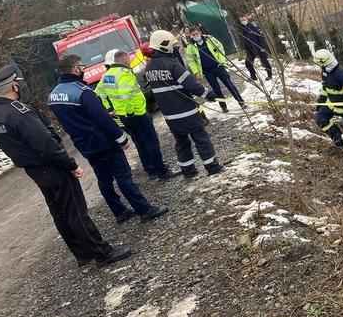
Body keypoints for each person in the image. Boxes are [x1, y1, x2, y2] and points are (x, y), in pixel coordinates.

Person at [0, 66, 132, 268]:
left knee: (59, 212)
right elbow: (45, 143)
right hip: (52, 166)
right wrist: (70, 164)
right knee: (76, 211)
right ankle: (102, 253)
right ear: (14, 85)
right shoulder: (18, 112)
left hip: (34, 170)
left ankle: (81, 254)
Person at [48, 55, 169, 224]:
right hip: (103, 142)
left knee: (103, 178)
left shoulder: (54, 95)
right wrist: (121, 138)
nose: (83, 69)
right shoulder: (82, 91)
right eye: (81, 66)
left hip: (84, 144)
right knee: (123, 176)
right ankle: (144, 209)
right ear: (76, 69)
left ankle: (119, 212)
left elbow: (77, 118)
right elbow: (101, 119)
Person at [145, 30, 223, 177]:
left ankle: (188, 170)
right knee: (201, 139)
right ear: (164, 45)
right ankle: (212, 167)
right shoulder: (173, 64)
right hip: (187, 111)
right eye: (173, 45)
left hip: (169, 116)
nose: (176, 48)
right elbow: (192, 85)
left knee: (181, 143)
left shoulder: (149, 67)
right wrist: (209, 95)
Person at [96, 49, 175, 180]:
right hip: (136, 114)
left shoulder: (107, 75)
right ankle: (161, 171)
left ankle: (151, 171)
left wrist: (109, 108)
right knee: (151, 141)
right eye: (129, 60)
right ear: (125, 60)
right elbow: (126, 95)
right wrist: (131, 112)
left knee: (139, 142)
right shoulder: (125, 74)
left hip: (122, 116)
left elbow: (99, 94)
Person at [184, 26, 245, 113]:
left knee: (229, 84)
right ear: (191, 35)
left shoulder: (210, 39)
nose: (195, 36)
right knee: (216, 89)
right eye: (193, 35)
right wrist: (196, 72)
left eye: (196, 33)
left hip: (218, 66)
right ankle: (223, 106)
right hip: (207, 71)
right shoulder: (190, 46)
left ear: (200, 33)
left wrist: (222, 61)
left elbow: (220, 48)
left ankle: (241, 101)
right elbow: (191, 61)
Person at [240, 16, 273, 81]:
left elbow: (261, 37)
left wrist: (262, 47)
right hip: (251, 49)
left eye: (244, 19)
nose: (243, 21)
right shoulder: (243, 29)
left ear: (247, 19)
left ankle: (269, 75)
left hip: (259, 48)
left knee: (264, 62)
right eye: (241, 20)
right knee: (248, 63)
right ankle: (253, 76)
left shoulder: (253, 27)